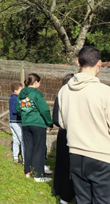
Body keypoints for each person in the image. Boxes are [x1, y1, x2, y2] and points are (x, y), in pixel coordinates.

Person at [58, 46, 110, 203]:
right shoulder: (105, 92)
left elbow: (62, 123)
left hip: (75, 154)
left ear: (78, 63)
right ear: (99, 64)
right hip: (101, 156)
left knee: (83, 200)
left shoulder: (64, 91)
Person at [17, 73, 53, 182]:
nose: (40, 84)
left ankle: (27, 171)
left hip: (26, 123)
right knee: (39, 149)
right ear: (36, 82)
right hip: (38, 123)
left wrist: (25, 115)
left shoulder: (21, 95)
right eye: (39, 82)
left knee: (28, 147)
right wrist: (49, 123)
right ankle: (38, 175)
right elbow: (44, 110)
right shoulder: (37, 94)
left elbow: (18, 109)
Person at [52, 73, 75, 204]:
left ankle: (58, 189)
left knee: (61, 163)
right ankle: (67, 194)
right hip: (72, 133)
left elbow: (55, 119)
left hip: (62, 132)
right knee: (69, 165)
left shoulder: (59, 96)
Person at [9, 81, 24, 164]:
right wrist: (22, 111)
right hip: (16, 121)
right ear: (15, 90)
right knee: (22, 139)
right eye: (20, 90)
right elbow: (15, 110)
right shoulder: (16, 99)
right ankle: (25, 159)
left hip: (12, 121)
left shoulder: (11, 98)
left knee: (16, 140)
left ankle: (15, 158)